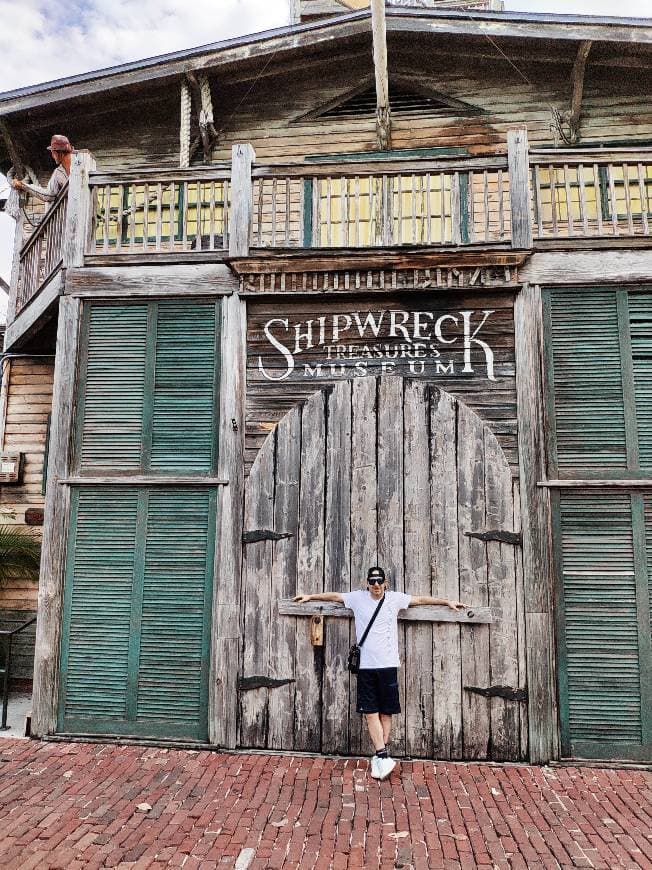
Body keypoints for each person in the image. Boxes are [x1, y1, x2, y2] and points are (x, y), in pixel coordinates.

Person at [293, 566, 467, 780]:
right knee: (369, 712)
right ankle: (382, 755)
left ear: (386, 583)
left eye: (380, 581)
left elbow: (420, 600)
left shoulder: (395, 599)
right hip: (366, 665)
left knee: (386, 712)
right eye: (372, 581)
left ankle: (381, 756)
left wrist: (446, 601)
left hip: (388, 664)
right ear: (367, 583)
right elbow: (335, 596)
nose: (376, 585)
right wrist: (310, 596)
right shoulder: (357, 598)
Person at [10, 134, 74, 203]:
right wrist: (23, 185)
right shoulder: (58, 172)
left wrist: (22, 186)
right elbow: (48, 195)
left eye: (53, 152)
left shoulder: (82, 161)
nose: (52, 156)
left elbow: (48, 196)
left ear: (60, 153)